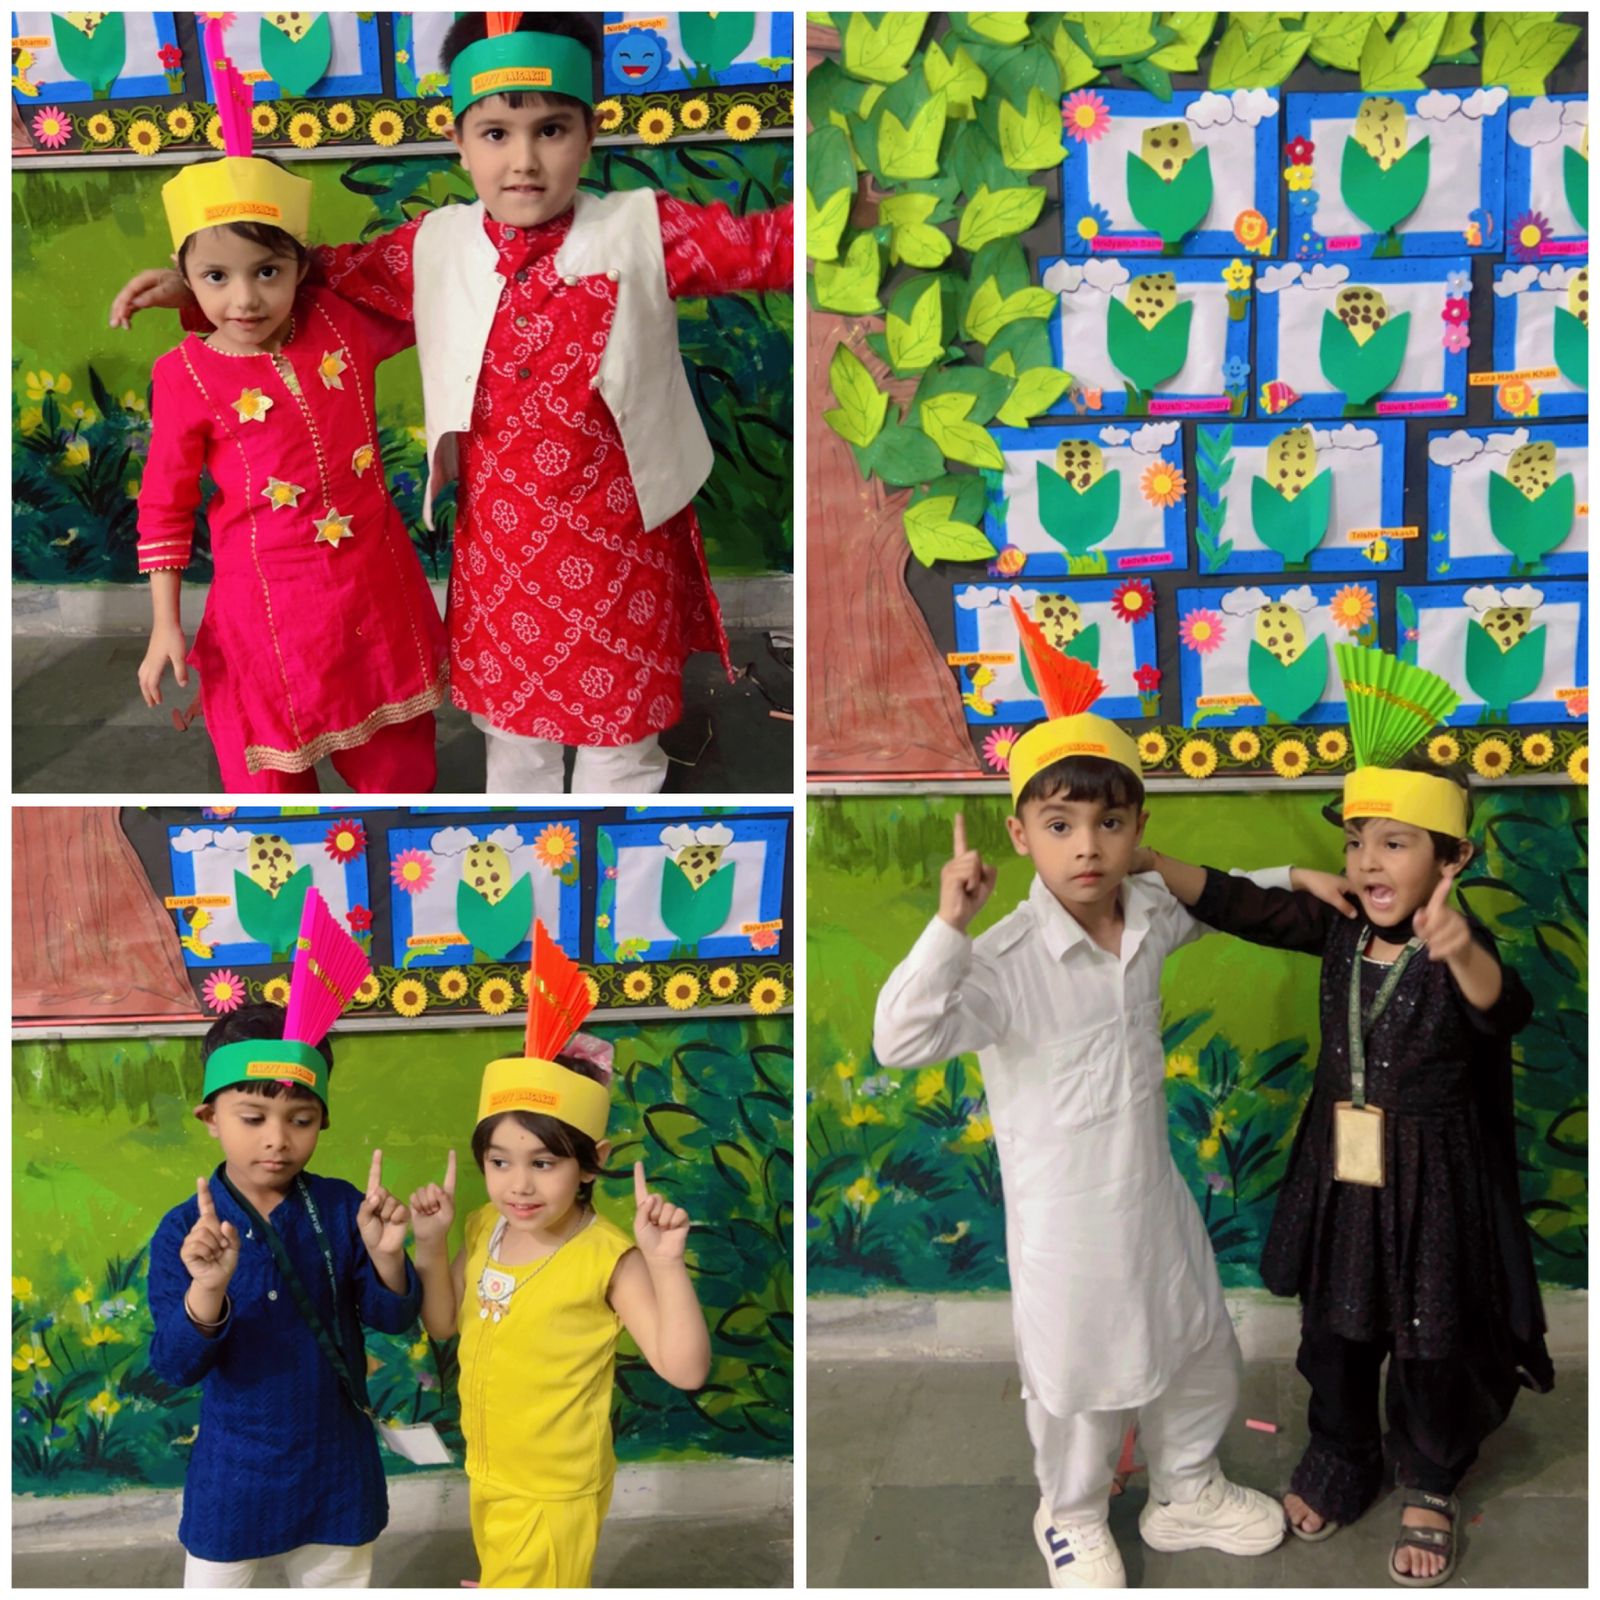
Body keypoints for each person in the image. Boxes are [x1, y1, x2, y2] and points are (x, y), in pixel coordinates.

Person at [115, 12, 792, 794]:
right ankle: (531, 856)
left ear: (591, 132)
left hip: (622, 543)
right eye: (496, 134)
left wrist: (862, 219)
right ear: (459, 141)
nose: (524, 161)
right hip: (502, 548)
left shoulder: (643, 230)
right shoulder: (431, 247)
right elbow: (302, 269)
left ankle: (608, 856)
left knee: (621, 744)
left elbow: (765, 246)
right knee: (514, 740)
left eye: (551, 130)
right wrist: (194, 290)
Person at [873, 598, 1291, 1589]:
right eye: (1060, 825)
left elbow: (1220, 899)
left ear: (1139, 827)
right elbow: (899, 1038)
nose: (1087, 847)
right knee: (1081, 1382)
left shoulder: (1147, 910)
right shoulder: (1002, 960)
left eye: (1109, 823)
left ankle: (1186, 1488)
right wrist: (948, 927)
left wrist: (1301, 879)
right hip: (1065, 1221)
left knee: (1197, 1342)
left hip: (1152, 1194)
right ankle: (1070, 1513)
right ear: (1020, 834)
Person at [1128, 644, 1553, 1587]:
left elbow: (1504, 1008)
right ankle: (1343, 1451)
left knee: (1433, 1333)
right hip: (1343, 1167)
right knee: (1339, 1326)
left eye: (1394, 843)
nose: (1366, 860)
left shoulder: (1461, 944)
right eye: (1358, 841)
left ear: (1453, 858)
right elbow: (1240, 905)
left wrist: (1458, 947)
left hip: (1435, 1178)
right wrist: (1148, 858)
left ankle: (1431, 1478)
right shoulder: (1340, 925)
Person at [128, 19, 447, 793]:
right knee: (274, 797)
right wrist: (165, 624)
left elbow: (440, 279)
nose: (244, 298)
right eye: (216, 277)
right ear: (184, 275)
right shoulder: (183, 374)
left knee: (399, 778)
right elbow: (166, 506)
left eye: (267, 271)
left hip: (376, 594)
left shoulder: (343, 322)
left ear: (302, 265)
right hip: (267, 619)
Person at [407, 922, 711, 1586]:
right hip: (491, 1471)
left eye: (543, 1163)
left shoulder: (609, 1259)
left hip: (554, 1490)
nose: (519, 1185)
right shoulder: (485, 1225)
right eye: (500, 1161)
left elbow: (685, 1369)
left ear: (590, 1162)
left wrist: (664, 1264)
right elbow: (445, 1324)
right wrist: (430, 1245)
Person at [147, 893, 421, 1588]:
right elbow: (174, 1365)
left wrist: (387, 1254)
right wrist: (207, 1290)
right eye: (252, 1117)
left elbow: (392, 1318)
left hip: (335, 1463)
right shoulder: (184, 1231)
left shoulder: (341, 1207)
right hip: (233, 1472)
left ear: (321, 1122)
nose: (277, 1139)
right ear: (210, 1117)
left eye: (300, 1119)